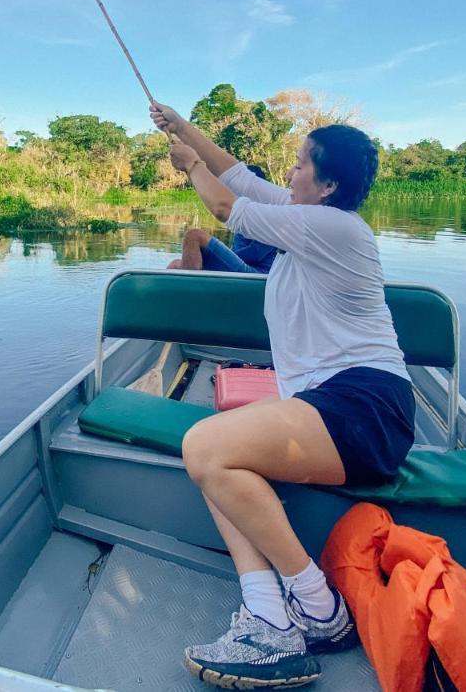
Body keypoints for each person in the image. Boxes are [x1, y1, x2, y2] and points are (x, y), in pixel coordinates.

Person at [150, 101, 414, 689]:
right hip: (332, 405)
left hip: (367, 408)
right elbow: (238, 176)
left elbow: (223, 202)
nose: (289, 173)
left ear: (329, 185)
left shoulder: (333, 226)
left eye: (299, 165)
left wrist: (189, 164)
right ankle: (267, 611)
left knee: (206, 448)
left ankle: (317, 607)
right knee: (216, 457)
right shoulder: (306, 212)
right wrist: (181, 128)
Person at [168, 166, 278, 274]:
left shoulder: (268, 216)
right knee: (175, 265)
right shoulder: (244, 211)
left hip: (255, 274)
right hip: (241, 267)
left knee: (194, 236)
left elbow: (255, 254)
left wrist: (215, 258)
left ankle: (190, 288)